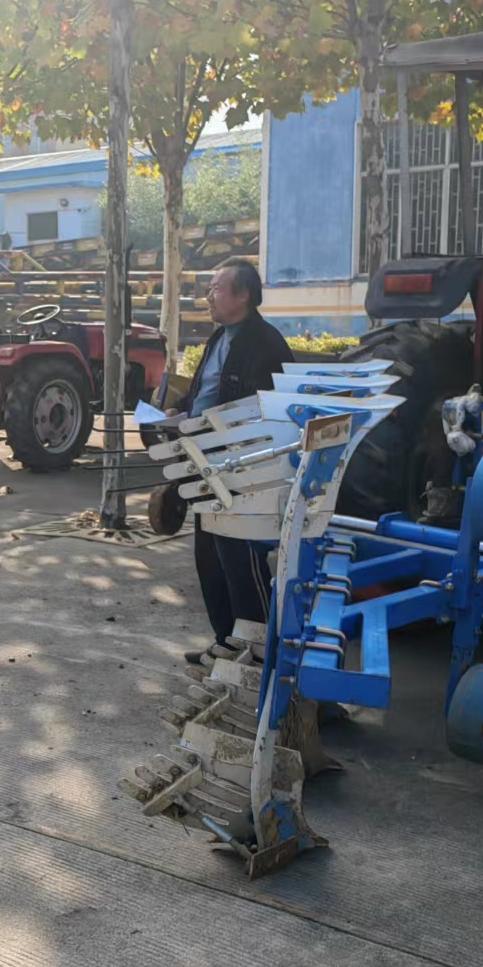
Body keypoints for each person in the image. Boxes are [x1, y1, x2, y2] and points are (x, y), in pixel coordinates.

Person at [176, 259, 294, 664]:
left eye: (216, 289)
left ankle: (256, 649)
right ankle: (225, 641)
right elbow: (203, 390)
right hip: (207, 460)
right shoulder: (218, 338)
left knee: (241, 558)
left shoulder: (266, 344)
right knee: (209, 556)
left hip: (245, 467)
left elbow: (265, 410)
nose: (208, 296)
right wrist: (178, 413)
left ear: (243, 295)